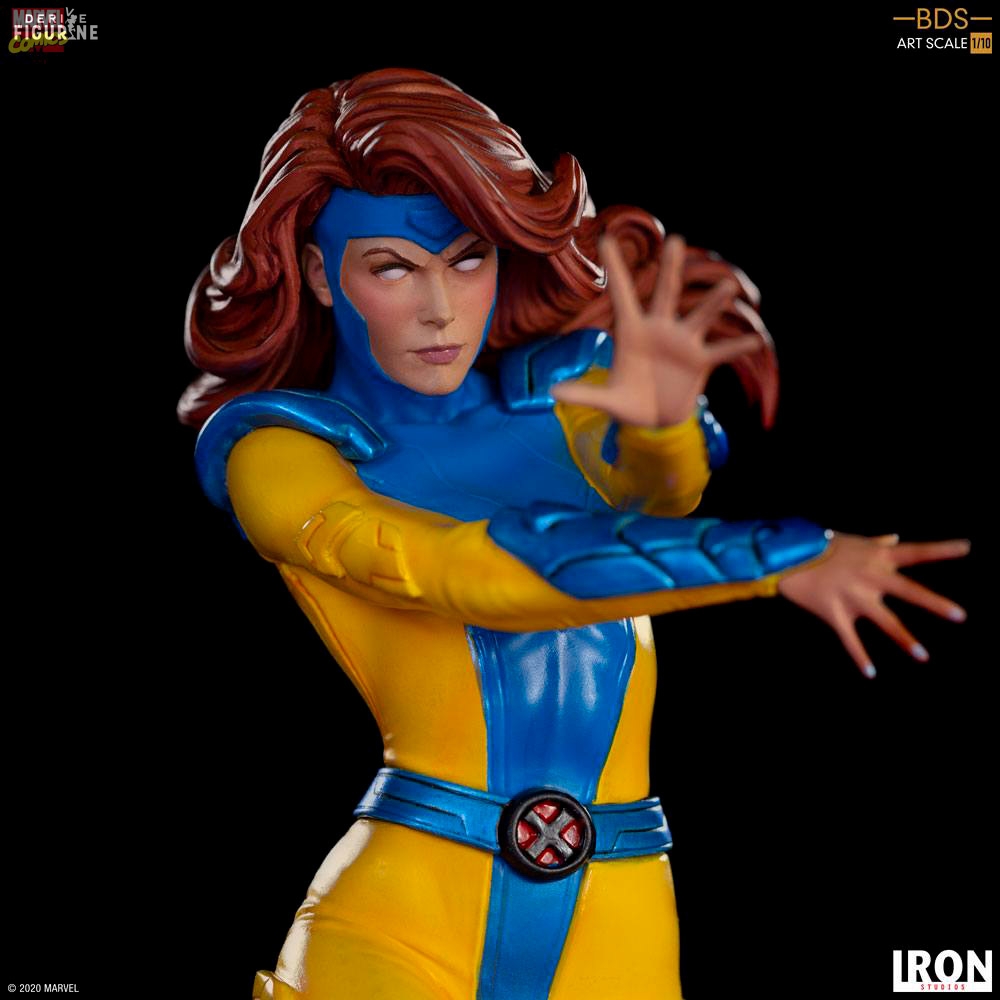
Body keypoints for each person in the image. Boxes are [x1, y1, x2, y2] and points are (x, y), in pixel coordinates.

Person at [179, 68, 968, 1000]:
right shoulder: (281, 451)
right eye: (392, 267)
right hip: (408, 907)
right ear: (320, 273)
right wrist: (781, 558)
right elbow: (473, 574)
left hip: (621, 892)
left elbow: (660, 499)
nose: (440, 308)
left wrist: (663, 426)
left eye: (467, 259)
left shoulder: (556, 395)